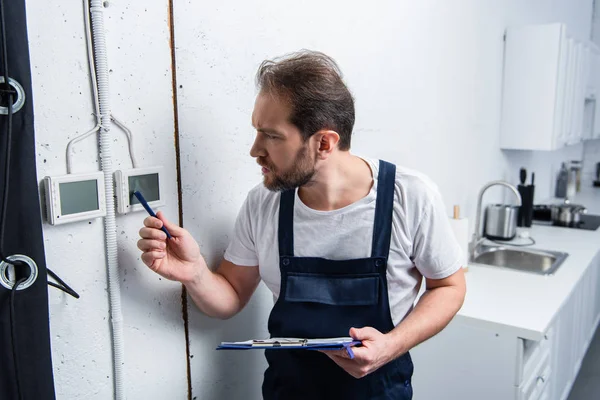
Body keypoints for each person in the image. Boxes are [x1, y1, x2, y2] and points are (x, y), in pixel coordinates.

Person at [137, 50, 466, 400]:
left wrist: (390, 345)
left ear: (324, 143)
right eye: (256, 132)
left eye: (271, 136)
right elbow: (230, 297)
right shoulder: (263, 203)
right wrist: (194, 272)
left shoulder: (409, 196)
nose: (254, 150)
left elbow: (449, 287)